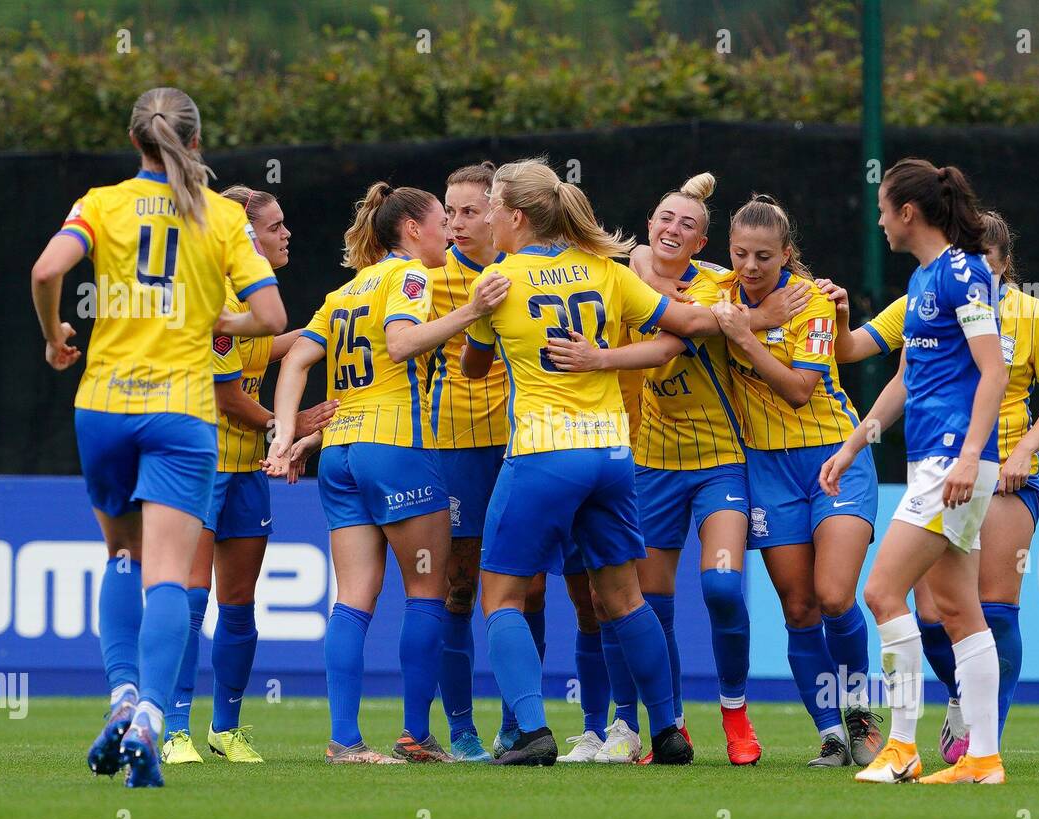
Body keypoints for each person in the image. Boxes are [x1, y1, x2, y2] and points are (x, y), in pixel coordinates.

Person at [31, 87, 287, 787]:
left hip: (105, 403)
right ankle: (149, 713)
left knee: (119, 551)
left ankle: (119, 697)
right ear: (195, 143)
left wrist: (55, 333)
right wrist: (215, 321)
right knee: (169, 574)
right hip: (180, 411)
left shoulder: (102, 202)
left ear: (135, 139)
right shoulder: (225, 215)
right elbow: (270, 314)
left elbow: (47, 269)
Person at [462, 158, 726, 766]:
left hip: (543, 453)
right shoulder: (604, 270)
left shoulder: (498, 281)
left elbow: (474, 368)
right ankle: (667, 730)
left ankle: (531, 732)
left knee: (501, 596)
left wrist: (485, 326)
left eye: (495, 206)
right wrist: (753, 319)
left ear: (517, 216)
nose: (491, 218)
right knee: (624, 598)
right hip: (611, 453)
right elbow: (687, 324)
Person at [265, 182, 510, 764]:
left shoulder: (346, 290)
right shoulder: (411, 278)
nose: (448, 231)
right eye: (438, 221)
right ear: (411, 231)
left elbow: (297, 359)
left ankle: (345, 740)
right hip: (398, 450)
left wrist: (288, 435)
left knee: (352, 598)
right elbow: (399, 346)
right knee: (428, 591)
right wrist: (473, 311)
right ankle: (414, 736)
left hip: (343, 454)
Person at [821, 209, 1039, 760]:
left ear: (1005, 265)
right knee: (935, 612)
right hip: (939, 469)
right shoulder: (927, 294)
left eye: (986, 257)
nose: (972, 266)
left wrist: (1025, 448)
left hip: (1000, 474)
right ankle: (964, 704)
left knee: (993, 605)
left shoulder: (1029, 315)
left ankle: (981, 742)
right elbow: (862, 358)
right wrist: (854, 440)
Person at [546, 173, 761, 765]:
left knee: (721, 587)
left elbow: (720, 324)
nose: (673, 230)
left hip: (721, 460)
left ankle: (736, 713)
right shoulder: (619, 277)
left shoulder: (719, 283)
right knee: (641, 602)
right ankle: (665, 724)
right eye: (665, 219)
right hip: (649, 463)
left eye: (688, 225)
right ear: (648, 226)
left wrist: (812, 293)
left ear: (701, 244)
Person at [820, 158, 1010, 784]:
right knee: (959, 611)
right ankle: (982, 759)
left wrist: (968, 454)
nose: (877, 220)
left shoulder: (964, 272)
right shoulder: (926, 281)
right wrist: (852, 448)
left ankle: (901, 746)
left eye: (882, 207)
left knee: (879, 592)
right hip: (938, 462)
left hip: (952, 463)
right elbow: (903, 381)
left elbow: (994, 372)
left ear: (908, 212)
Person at [161, 186, 338, 766]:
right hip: (201, 462)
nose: (286, 234)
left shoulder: (257, 303)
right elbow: (226, 393)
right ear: (244, 236)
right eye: (276, 226)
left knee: (239, 602)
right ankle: (173, 728)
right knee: (192, 597)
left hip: (246, 470)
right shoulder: (215, 293)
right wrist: (283, 425)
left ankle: (227, 727)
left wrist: (323, 332)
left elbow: (263, 350)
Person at [708, 195, 884, 768]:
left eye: (764, 255)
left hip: (834, 456)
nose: (752, 266)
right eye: (740, 254)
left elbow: (799, 390)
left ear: (787, 253)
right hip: (765, 466)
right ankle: (832, 733)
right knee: (800, 608)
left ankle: (860, 710)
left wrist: (745, 336)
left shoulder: (808, 301)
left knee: (835, 595)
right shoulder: (720, 298)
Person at [425, 160, 550, 761]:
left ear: (502, 214)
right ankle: (462, 729)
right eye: (449, 212)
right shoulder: (427, 277)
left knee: (530, 590)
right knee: (458, 586)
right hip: (456, 443)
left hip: (526, 444)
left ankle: (517, 725)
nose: (457, 223)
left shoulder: (527, 270)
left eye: (471, 211)